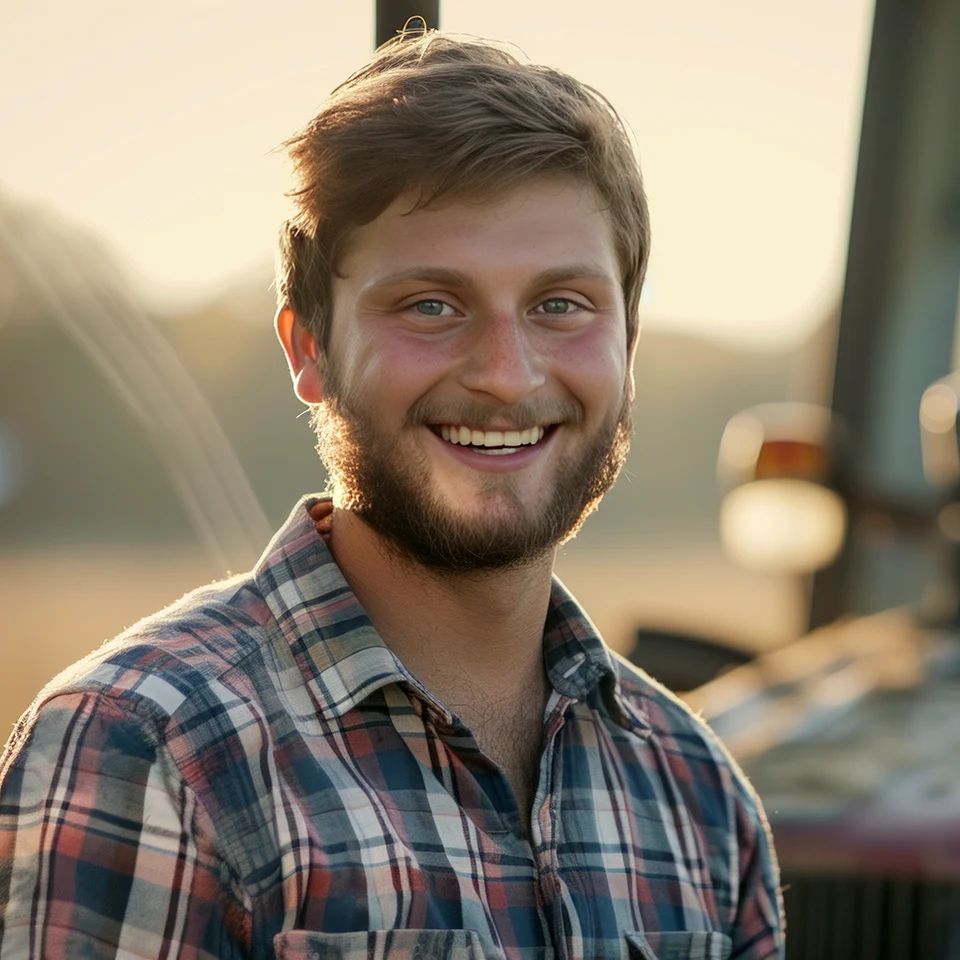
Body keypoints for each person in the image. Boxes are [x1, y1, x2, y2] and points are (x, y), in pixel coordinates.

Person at [0, 27, 785, 960]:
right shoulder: (145, 747)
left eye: (560, 305)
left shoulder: (698, 791)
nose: (505, 373)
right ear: (309, 350)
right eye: (430, 305)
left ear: (628, 339)